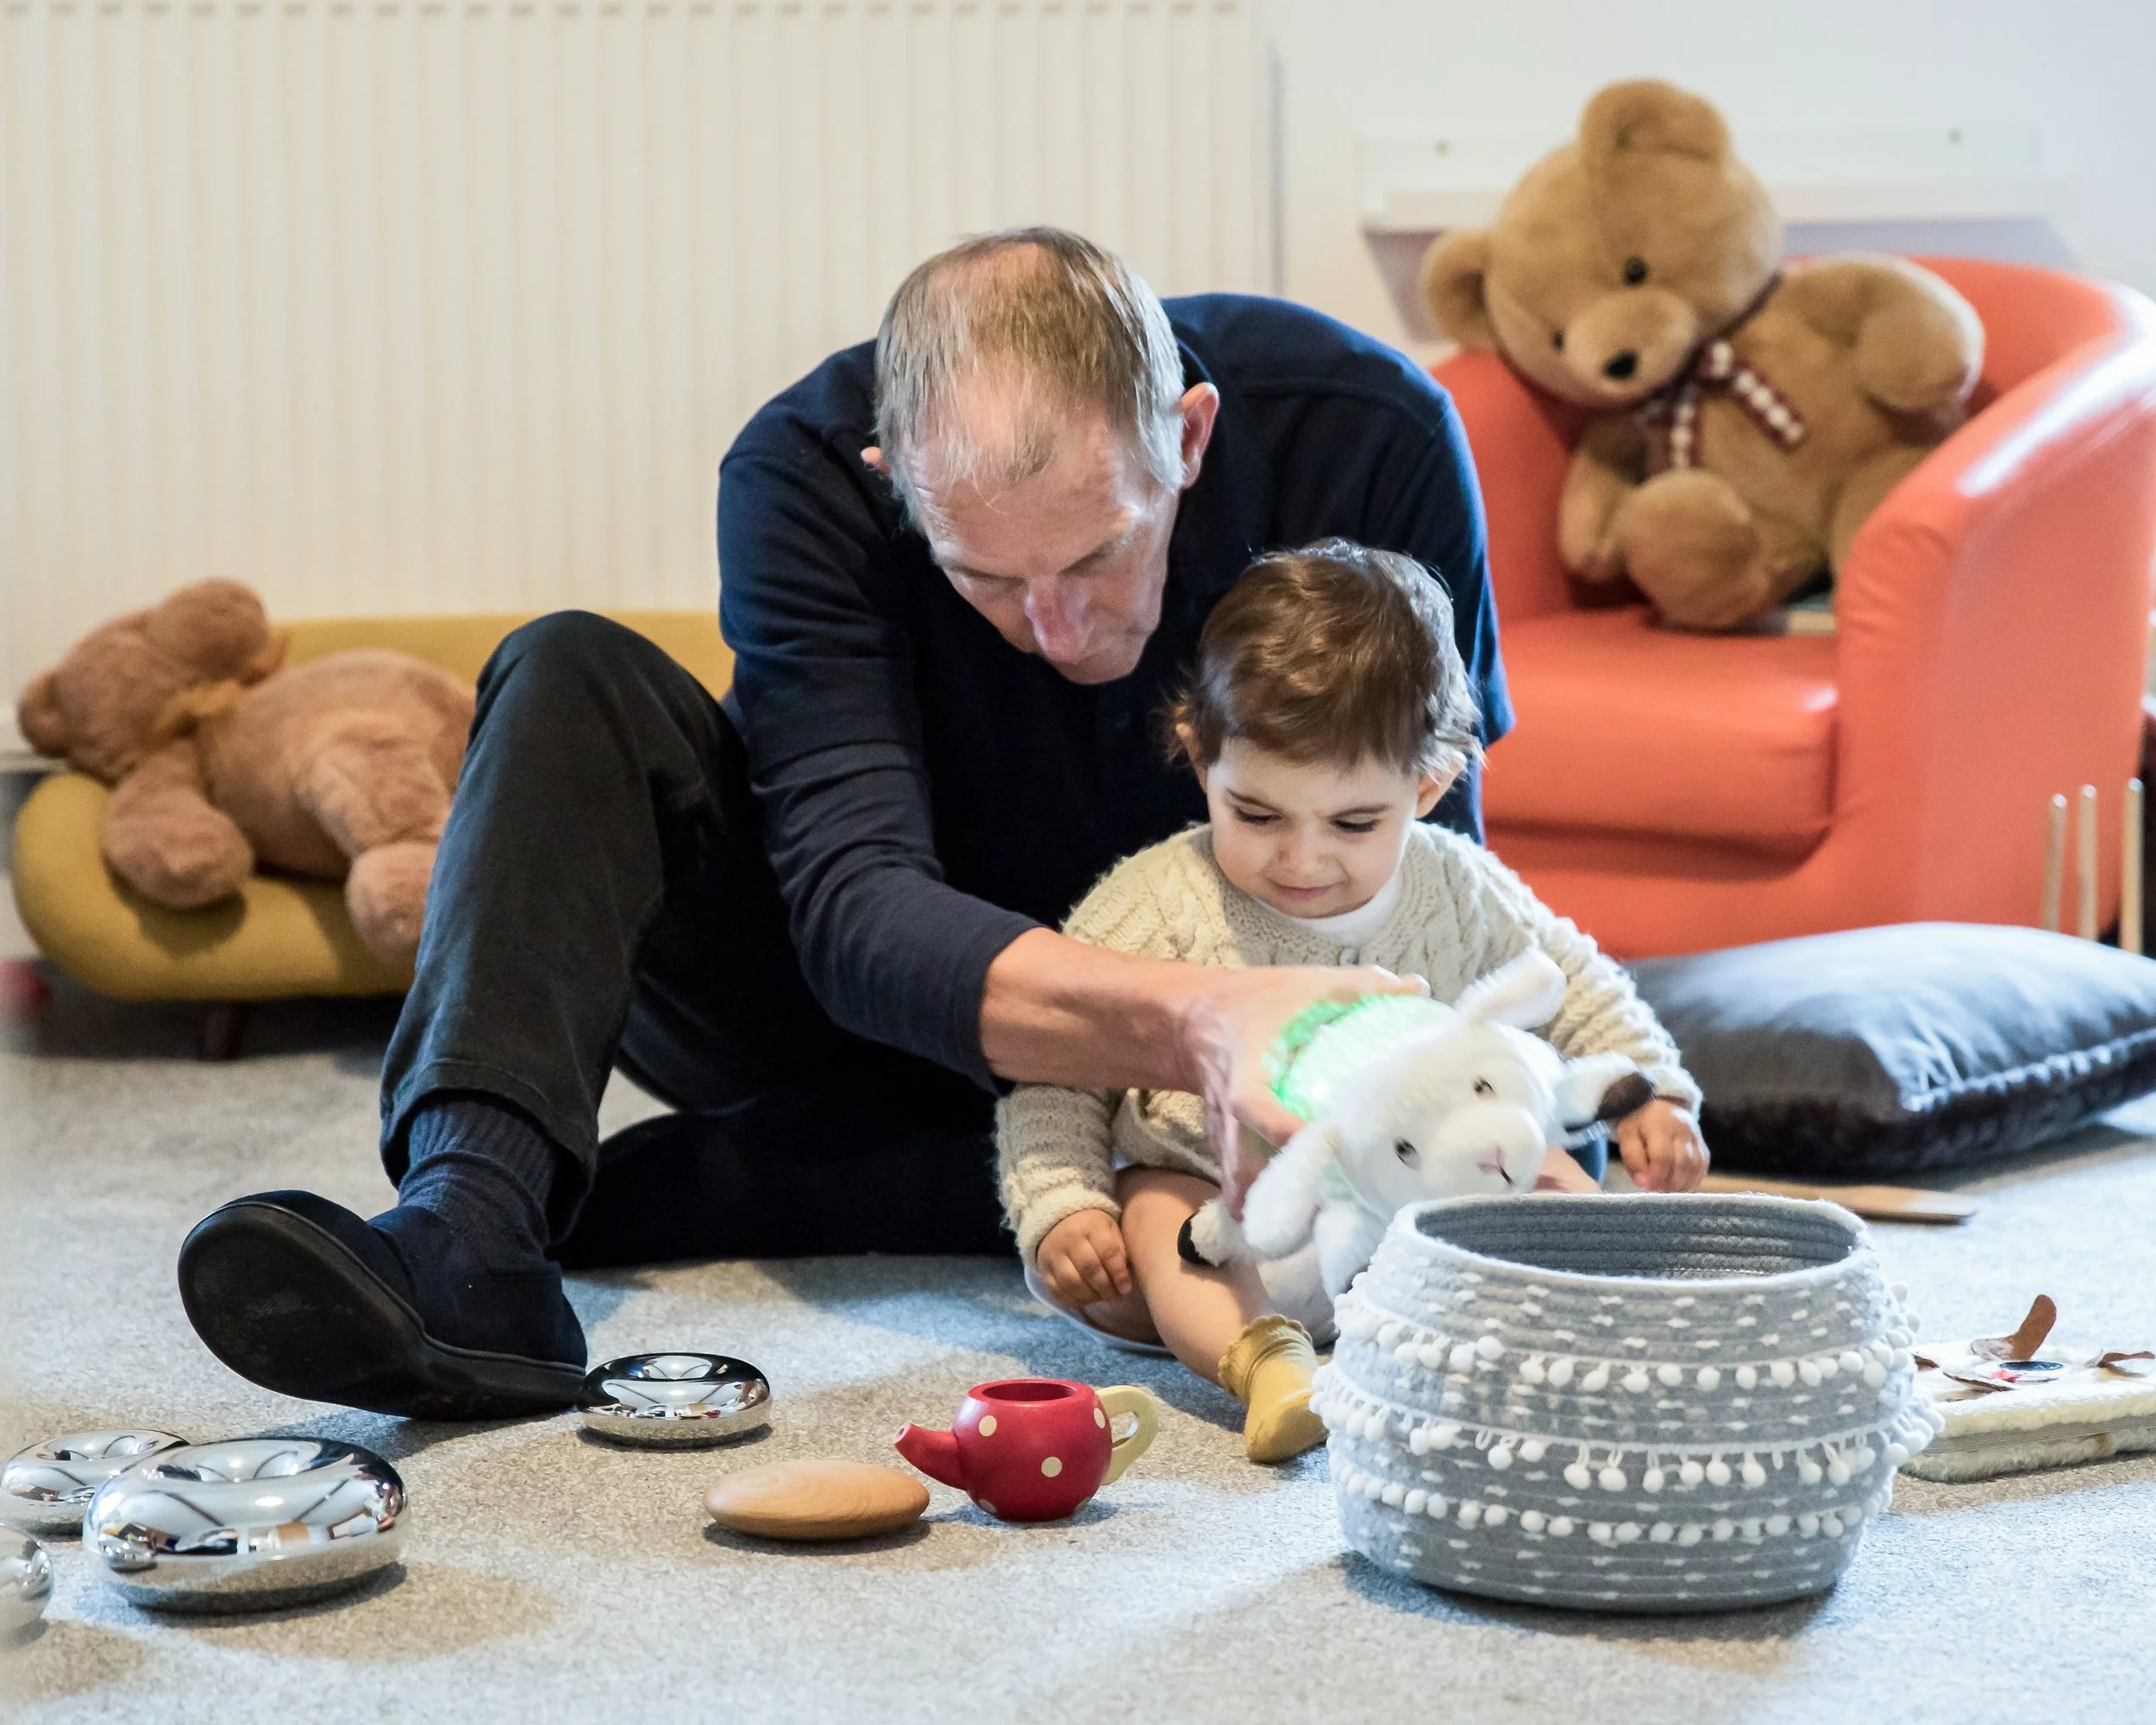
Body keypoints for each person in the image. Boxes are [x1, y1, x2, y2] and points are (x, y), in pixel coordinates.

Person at [175, 229, 1521, 1421]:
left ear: (1191, 432)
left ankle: (827, 1182)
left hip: (1189, 1096)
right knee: (567, 666)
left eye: (1099, 555)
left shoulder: (1369, 430)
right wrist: (1186, 1015)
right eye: (984, 575)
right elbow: (855, 913)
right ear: (895, 480)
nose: (1057, 630)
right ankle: (469, 1233)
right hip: (854, 1015)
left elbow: (1433, 861)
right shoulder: (799, 473)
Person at [999, 541, 1708, 1463]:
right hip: (1224, 1215)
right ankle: (1268, 1365)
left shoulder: (1457, 885)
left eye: (1352, 822)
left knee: (1555, 1181)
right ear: (1197, 754)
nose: (1301, 860)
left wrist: (1652, 1093)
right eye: (1255, 814)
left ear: (1426, 785)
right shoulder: (1149, 903)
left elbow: (1576, 983)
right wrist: (1063, 1204)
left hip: (1415, 1202)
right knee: (1153, 1212)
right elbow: (1053, 1063)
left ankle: (1584, 1337)